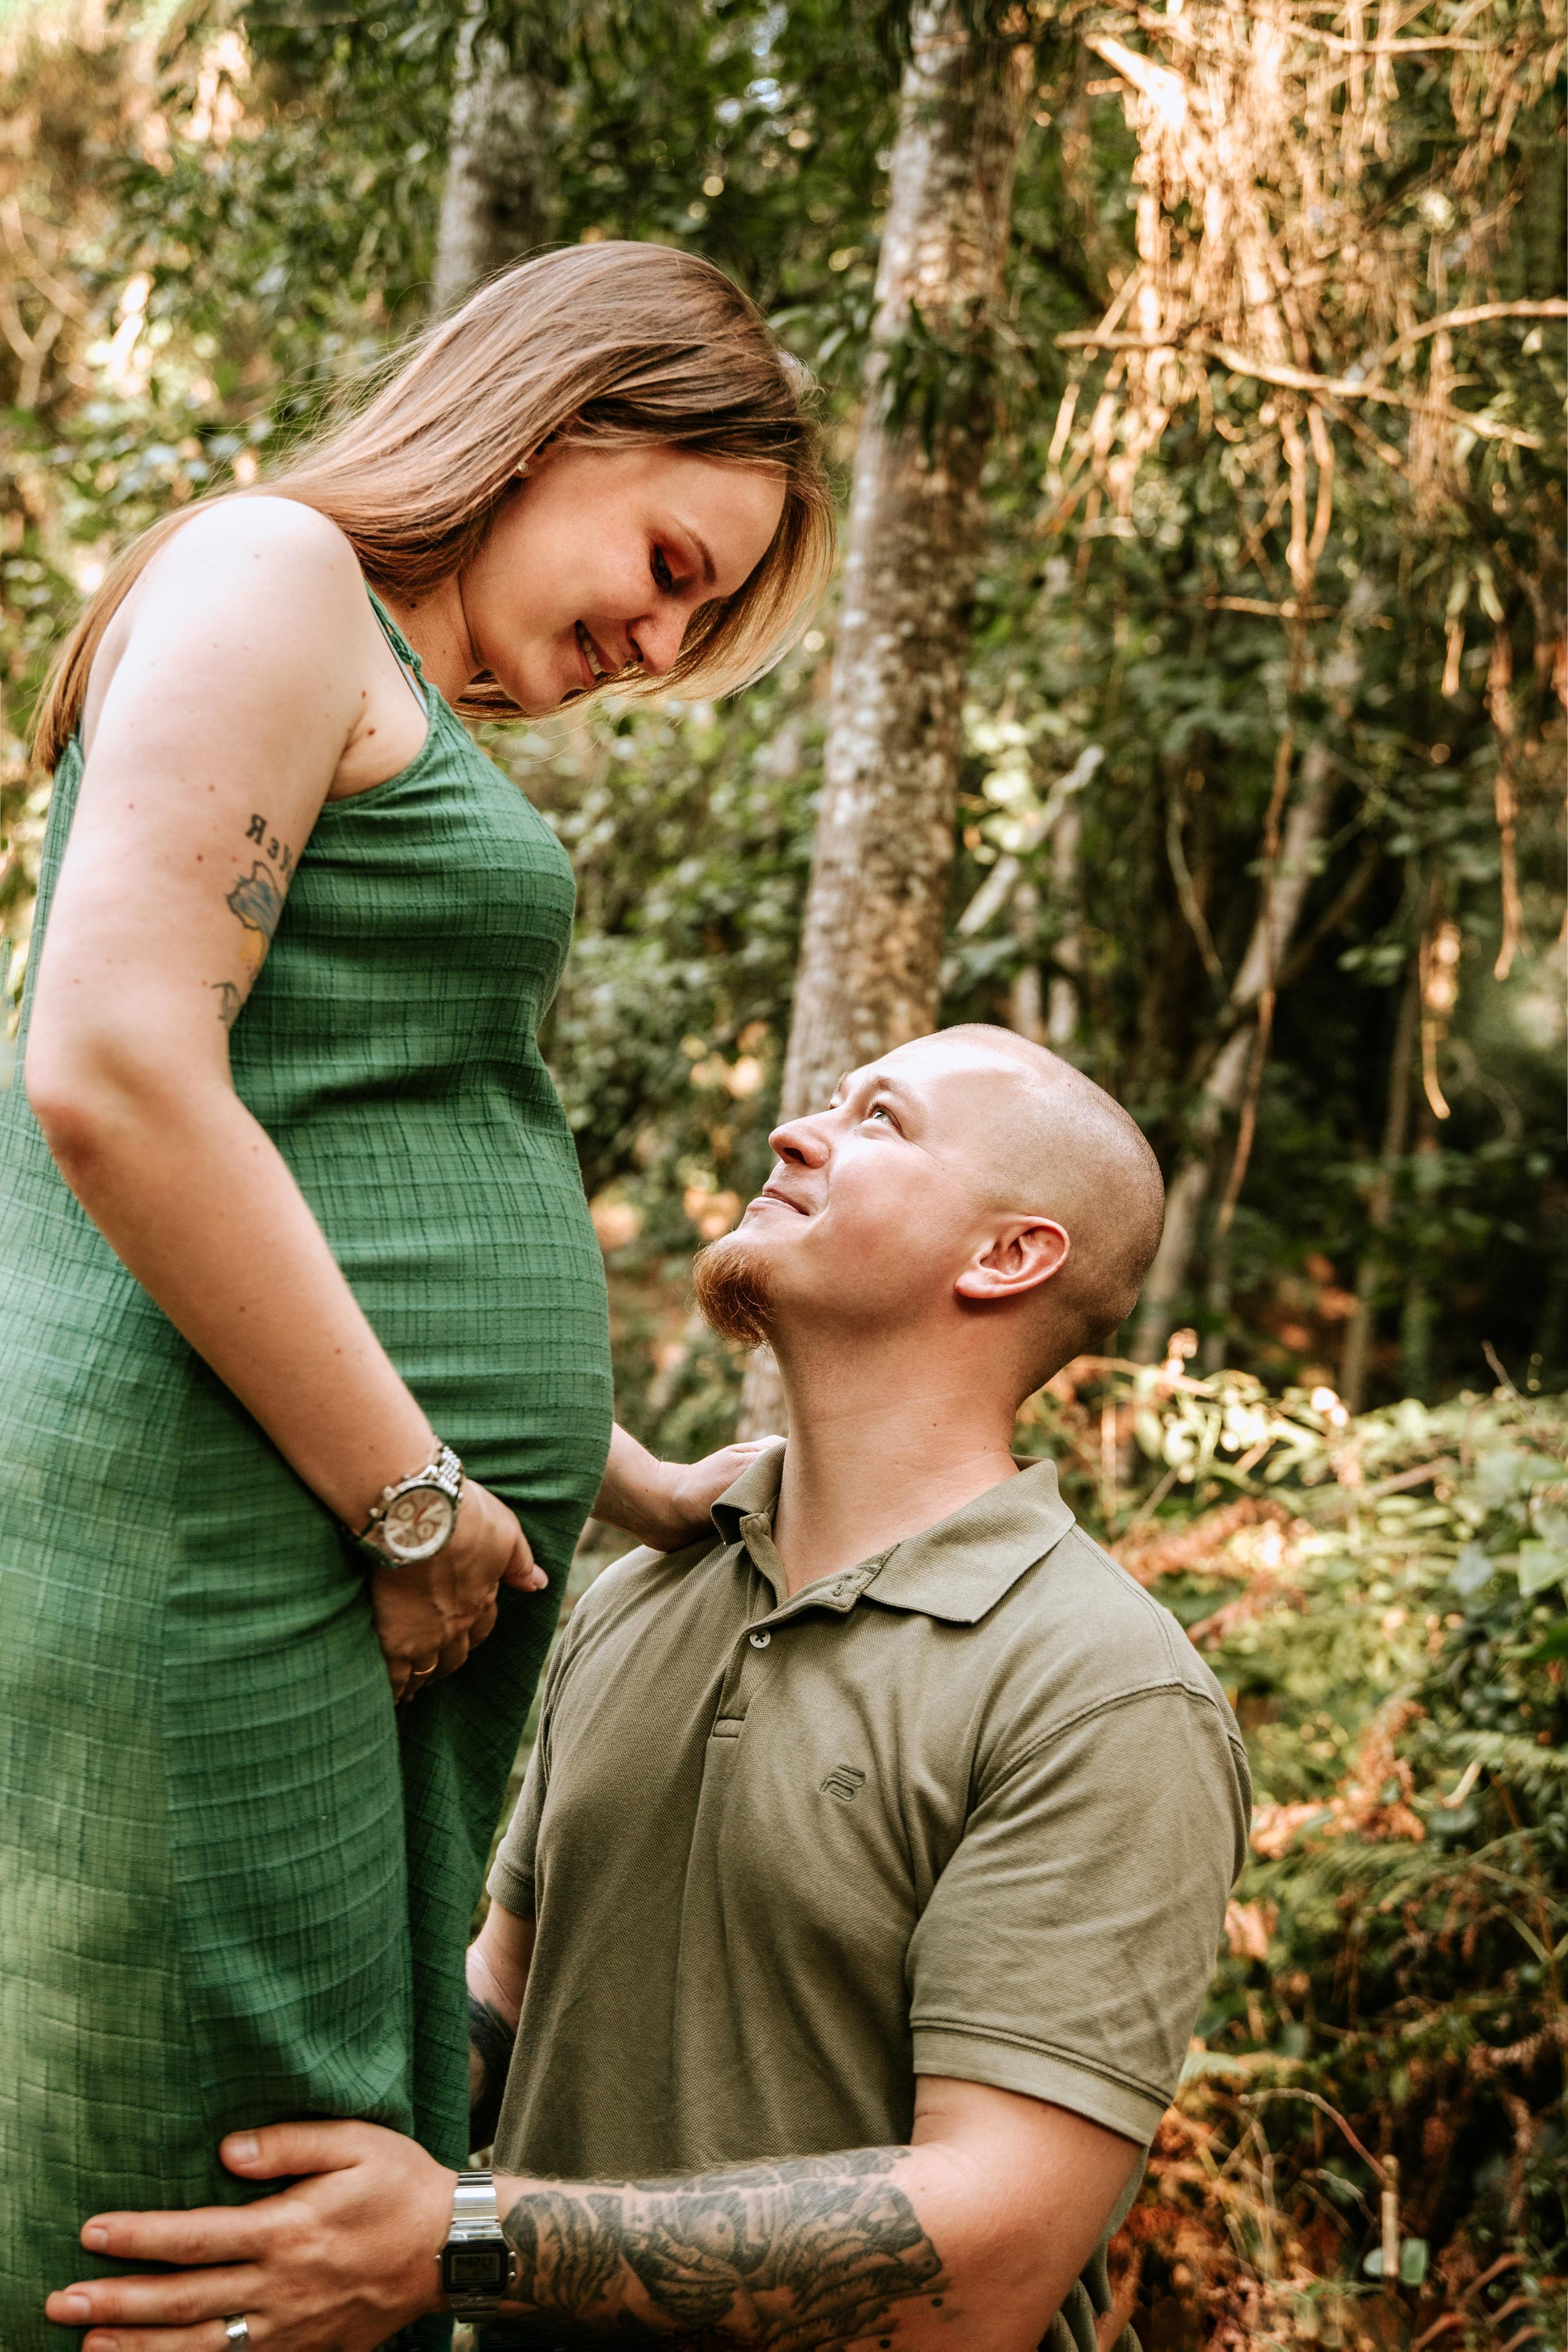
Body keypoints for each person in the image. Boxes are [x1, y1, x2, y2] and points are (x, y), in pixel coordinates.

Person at [2, 239, 834, 2346]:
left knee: (318, 2161)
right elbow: (115, 1067)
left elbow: (338, 1131)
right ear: (561, 423)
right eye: (670, 565)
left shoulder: (360, 660)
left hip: (333, 1528)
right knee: (193, 2158)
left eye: (701, 619)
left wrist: (618, 1480)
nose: (658, 643)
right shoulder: (276, 574)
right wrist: (411, 1496)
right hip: (225, 1531)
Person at [50, 1027, 1253, 2352]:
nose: (795, 1132)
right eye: (830, 1101)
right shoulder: (640, 1595)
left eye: (880, 1121)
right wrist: (215, 2117)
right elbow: (510, 1998)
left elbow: (990, 2266)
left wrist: (453, 2239)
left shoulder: (1103, 1689)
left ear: (1007, 1256)